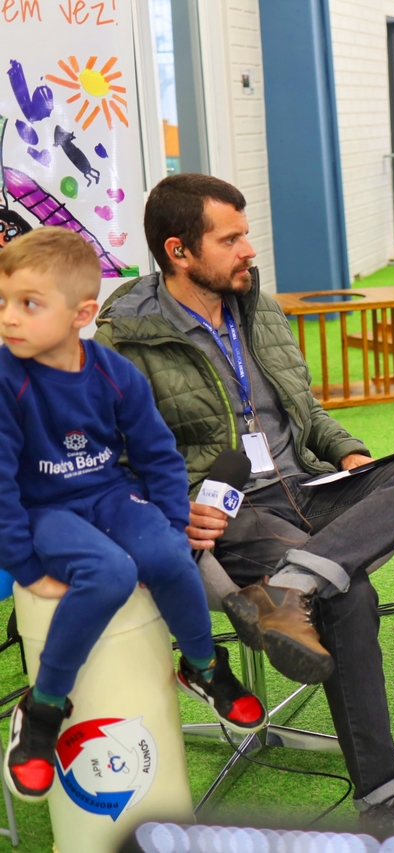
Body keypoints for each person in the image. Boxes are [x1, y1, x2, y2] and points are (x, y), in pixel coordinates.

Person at [94, 174, 394, 832]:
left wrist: (350, 455)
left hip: (309, 489)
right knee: (351, 594)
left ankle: (298, 581)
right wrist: (174, 507)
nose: (249, 249)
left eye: (246, 233)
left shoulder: (259, 309)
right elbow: (112, 463)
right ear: (179, 251)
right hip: (225, 509)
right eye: (230, 238)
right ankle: (383, 806)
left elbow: (307, 413)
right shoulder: (125, 339)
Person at [0, 228, 266, 803]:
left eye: (28, 304)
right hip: (45, 508)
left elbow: (157, 455)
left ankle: (203, 666)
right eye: (3, 302)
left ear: (82, 314)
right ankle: (42, 708)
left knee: (169, 554)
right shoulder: (6, 379)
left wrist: (169, 527)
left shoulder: (113, 371)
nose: (9, 318)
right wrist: (25, 566)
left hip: (110, 494)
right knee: (111, 574)